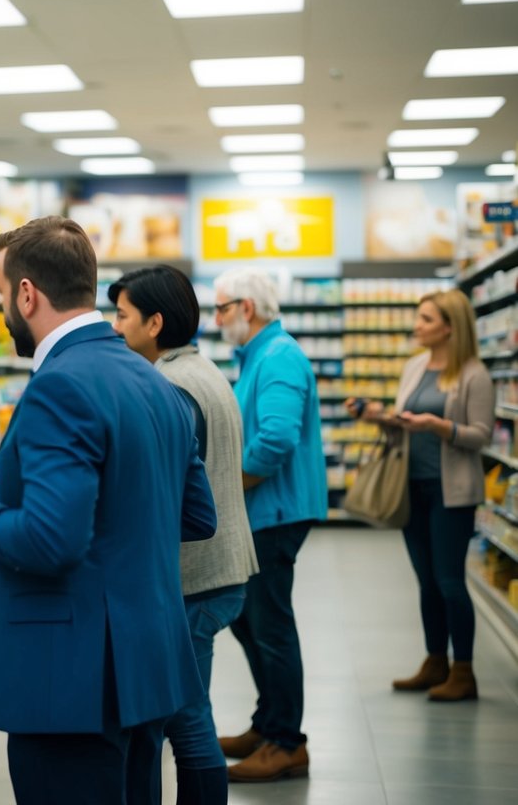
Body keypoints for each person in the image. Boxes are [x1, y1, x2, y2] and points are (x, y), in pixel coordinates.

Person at [0, 216, 217, 804]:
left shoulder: (59, 386)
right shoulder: (156, 384)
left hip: (73, 681)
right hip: (145, 667)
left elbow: (50, 540)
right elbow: (196, 515)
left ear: (26, 293)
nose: (2, 308)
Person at [111, 265, 259, 805]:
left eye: (123, 316)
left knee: (186, 720)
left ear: (153, 322)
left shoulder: (171, 386)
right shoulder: (203, 370)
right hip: (220, 567)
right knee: (184, 714)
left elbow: (167, 491)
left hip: (197, 577)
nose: (114, 327)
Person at [346, 288, 494, 701]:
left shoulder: (473, 374)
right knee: (426, 582)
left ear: (450, 327)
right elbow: (405, 424)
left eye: (426, 319)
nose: (417, 326)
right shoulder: (414, 367)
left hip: (452, 493)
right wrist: (381, 416)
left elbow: (480, 436)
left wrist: (438, 426)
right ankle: (435, 662)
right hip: (412, 487)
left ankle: (463, 670)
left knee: (449, 581)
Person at [211, 268, 327, 783]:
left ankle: (287, 743)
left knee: (271, 624)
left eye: (220, 308)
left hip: (274, 512)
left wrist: (226, 487)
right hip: (263, 511)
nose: (216, 319)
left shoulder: (279, 357)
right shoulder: (259, 355)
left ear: (247, 308)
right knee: (249, 620)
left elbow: (276, 440)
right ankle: (268, 722)